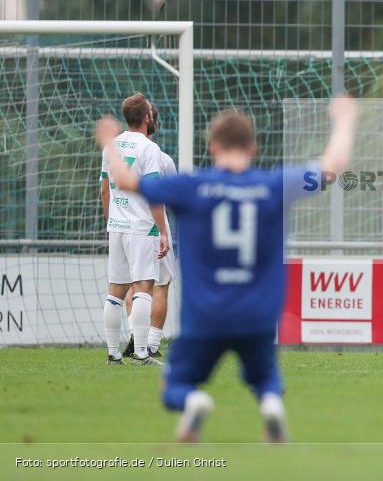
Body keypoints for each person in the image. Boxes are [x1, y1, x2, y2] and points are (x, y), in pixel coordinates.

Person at [94, 95, 358, 442]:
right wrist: (345, 118)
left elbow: (127, 183)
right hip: (258, 314)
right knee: (265, 378)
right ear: (254, 146)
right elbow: (332, 166)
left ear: (213, 146)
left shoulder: (192, 186)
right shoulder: (273, 185)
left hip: (206, 315)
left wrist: (109, 143)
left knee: (174, 386)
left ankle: (193, 400)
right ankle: (270, 404)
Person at [100, 93, 169, 366]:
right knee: (144, 287)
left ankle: (113, 354)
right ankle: (141, 352)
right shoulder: (149, 149)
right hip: (142, 227)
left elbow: (104, 189)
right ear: (148, 117)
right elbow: (153, 193)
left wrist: (112, 219)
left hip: (116, 227)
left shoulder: (111, 146)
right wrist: (162, 230)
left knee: (115, 291)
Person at [124, 104, 177, 359]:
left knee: (130, 287)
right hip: (151, 228)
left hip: (123, 227)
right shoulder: (161, 158)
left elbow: (105, 189)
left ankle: (136, 337)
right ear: (151, 122)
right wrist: (164, 230)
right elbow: (169, 197)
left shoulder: (118, 151)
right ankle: (150, 345)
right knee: (160, 286)